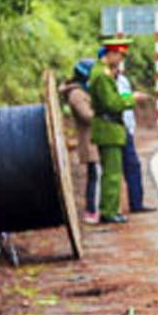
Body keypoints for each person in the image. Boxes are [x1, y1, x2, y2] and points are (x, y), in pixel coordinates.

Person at [88, 38, 148, 223]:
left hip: (112, 129)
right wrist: (132, 99)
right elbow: (111, 103)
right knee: (112, 173)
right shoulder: (102, 75)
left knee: (113, 171)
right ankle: (108, 211)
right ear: (111, 54)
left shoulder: (103, 73)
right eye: (119, 56)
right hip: (108, 129)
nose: (120, 61)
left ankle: (112, 208)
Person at [60, 59, 100, 224]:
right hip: (89, 141)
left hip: (94, 139)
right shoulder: (77, 94)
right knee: (94, 175)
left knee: (95, 175)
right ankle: (92, 210)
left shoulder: (82, 91)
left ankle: (94, 209)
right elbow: (87, 116)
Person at [115, 63, 156, 213]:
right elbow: (115, 102)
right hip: (115, 127)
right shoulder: (105, 80)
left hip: (127, 127)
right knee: (114, 170)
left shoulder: (123, 80)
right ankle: (110, 209)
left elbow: (125, 99)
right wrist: (133, 98)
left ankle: (136, 202)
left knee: (133, 166)